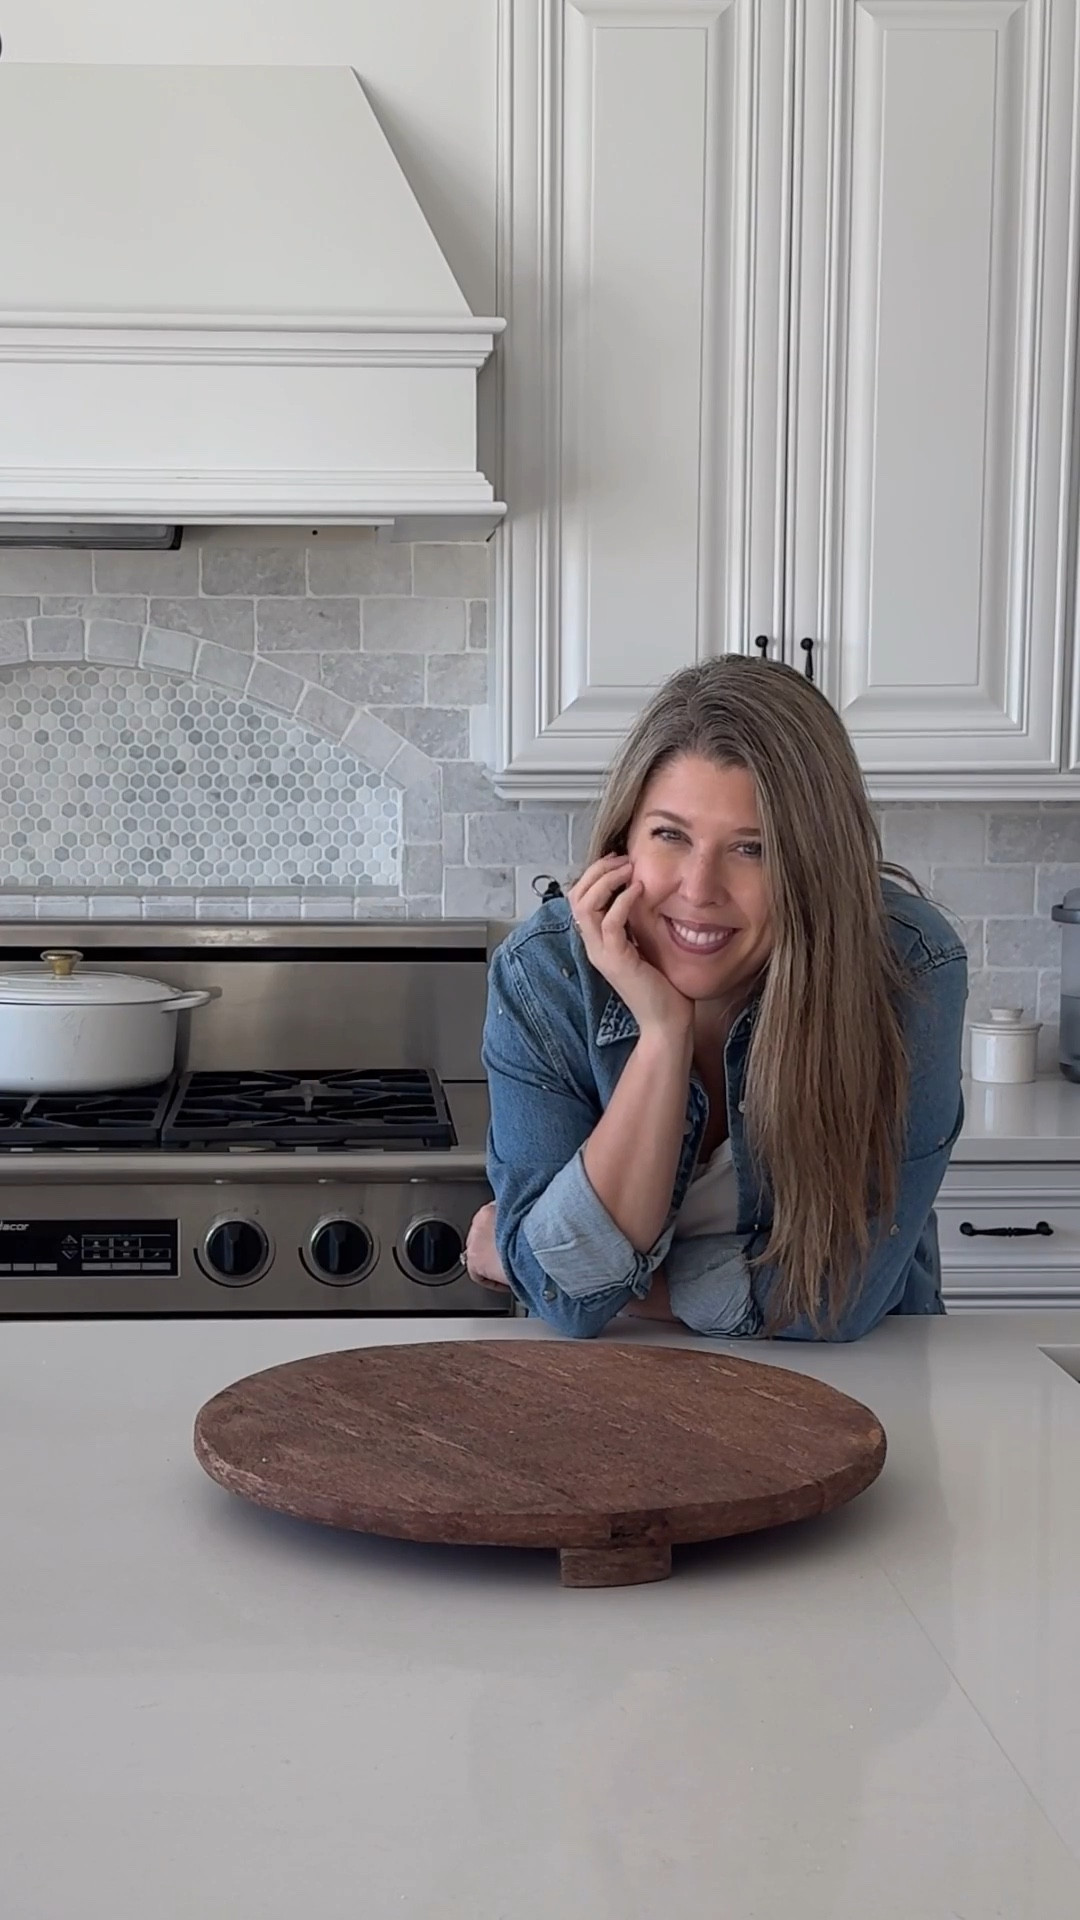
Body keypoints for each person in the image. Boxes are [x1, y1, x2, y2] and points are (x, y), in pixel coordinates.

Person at [465, 655, 967, 1341]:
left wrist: (608, 1286)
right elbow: (562, 1298)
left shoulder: (904, 965)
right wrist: (663, 1035)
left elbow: (839, 1296)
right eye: (670, 834)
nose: (699, 889)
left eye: (753, 849)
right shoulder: (545, 972)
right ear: (624, 840)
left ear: (815, 869)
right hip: (603, 1386)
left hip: (856, 1385)